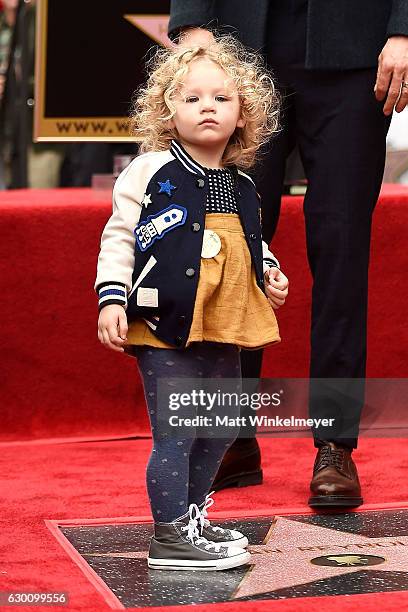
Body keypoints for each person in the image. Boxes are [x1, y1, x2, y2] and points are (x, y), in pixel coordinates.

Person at [168, 0, 408, 508]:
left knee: (341, 245)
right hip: (241, 45)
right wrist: (191, 20)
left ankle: (336, 443)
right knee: (230, 244)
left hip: (355, 50)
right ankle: (232, 438)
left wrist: (405, 30)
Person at [94, 36, 289, 570]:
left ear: (243, 115)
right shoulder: (150, 171)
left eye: (222, 98)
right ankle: (169, 535)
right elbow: (120, 237)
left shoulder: (244, 185)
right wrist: (112, 299)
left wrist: (269, 273)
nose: (208, 106)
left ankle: (193, 517)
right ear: (168, 111)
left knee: (222, 424)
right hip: (163, 321)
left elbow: (251, 243)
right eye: (193, 97)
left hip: (225, 323)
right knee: (177, 430)